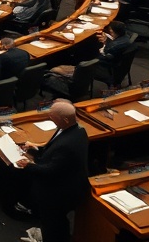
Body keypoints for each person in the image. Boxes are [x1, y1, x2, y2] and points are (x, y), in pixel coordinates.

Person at [16, 101, 89, 242]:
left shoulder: (68, 144)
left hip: (60, 192)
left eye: (52, 116)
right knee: (54, 222)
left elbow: (51, 170)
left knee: (54, 221)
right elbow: (54, 150)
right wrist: (35, 149)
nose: (49, 117)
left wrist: (28, 165)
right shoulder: (76, 129)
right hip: (66, 180)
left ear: (65, 119)